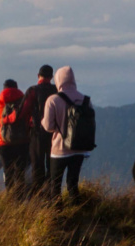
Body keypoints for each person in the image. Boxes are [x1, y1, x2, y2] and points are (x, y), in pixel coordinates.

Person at [39, 66, 91, 197]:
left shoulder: (53, 100)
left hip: (60, 149)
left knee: (55, 185)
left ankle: (57, 215)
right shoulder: (85, 100)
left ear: (58, 80)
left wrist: (41, 121)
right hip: (79, 148)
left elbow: (49, 126)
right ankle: (77, 210)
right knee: (73, 183)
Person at [17, 65, 58, 196]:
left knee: (37, 164)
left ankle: (38, 194)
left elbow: (22, 112)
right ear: (51, 77)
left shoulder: (33, 91)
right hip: (54, 133)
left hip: (36, 133)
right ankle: (52, 193)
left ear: (37, 75)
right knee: (52, 164)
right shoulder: (56, 91)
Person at [0, 79, 26, 191]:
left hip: (3, 142)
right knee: (20, 172)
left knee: (8, 171)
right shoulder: (24, 103)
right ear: (17, 88)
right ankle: (20, 198)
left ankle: (10, 196)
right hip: (22, 141)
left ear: (4, 89)